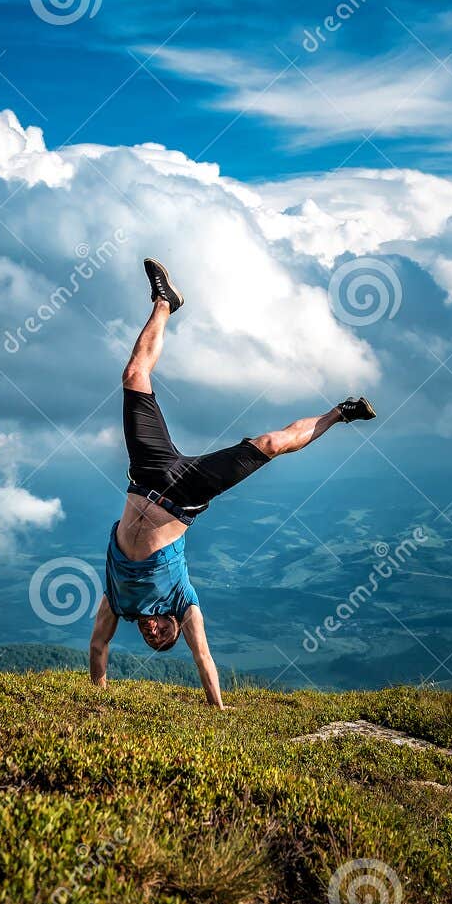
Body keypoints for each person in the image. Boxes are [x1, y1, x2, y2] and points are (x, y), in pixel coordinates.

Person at [88, 258, 376, 709]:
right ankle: (342, 412)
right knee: (268, 444)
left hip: (146, 477)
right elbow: (204, 657)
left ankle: (165, 303)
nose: (152, 632)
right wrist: (219, 709)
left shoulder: (119, 604)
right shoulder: (184, 602)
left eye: (150, 638)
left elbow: (97, 649)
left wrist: (98, 704)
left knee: (133, 376)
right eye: (162, 636)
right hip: (186, 496)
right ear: (174, 628)